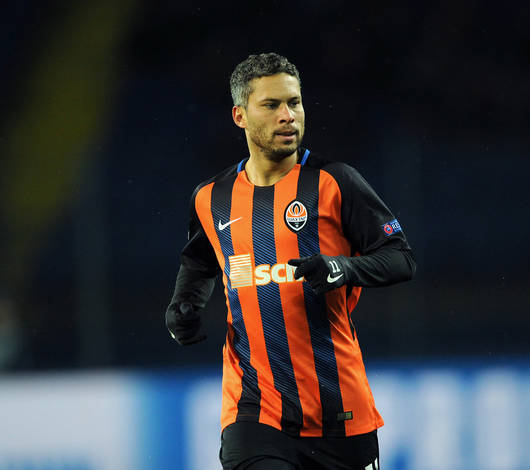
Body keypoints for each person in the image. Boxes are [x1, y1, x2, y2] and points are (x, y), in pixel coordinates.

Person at [165, 52, 416, 470]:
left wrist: (341, 268)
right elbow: (200, 261)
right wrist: (183, 305)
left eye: (294, 103)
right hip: (254, 411)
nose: (288, 116)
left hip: (340, 413)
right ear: (240, 116)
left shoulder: (335, 182)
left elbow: (401, 258)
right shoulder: (211, 197)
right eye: (271, 105)